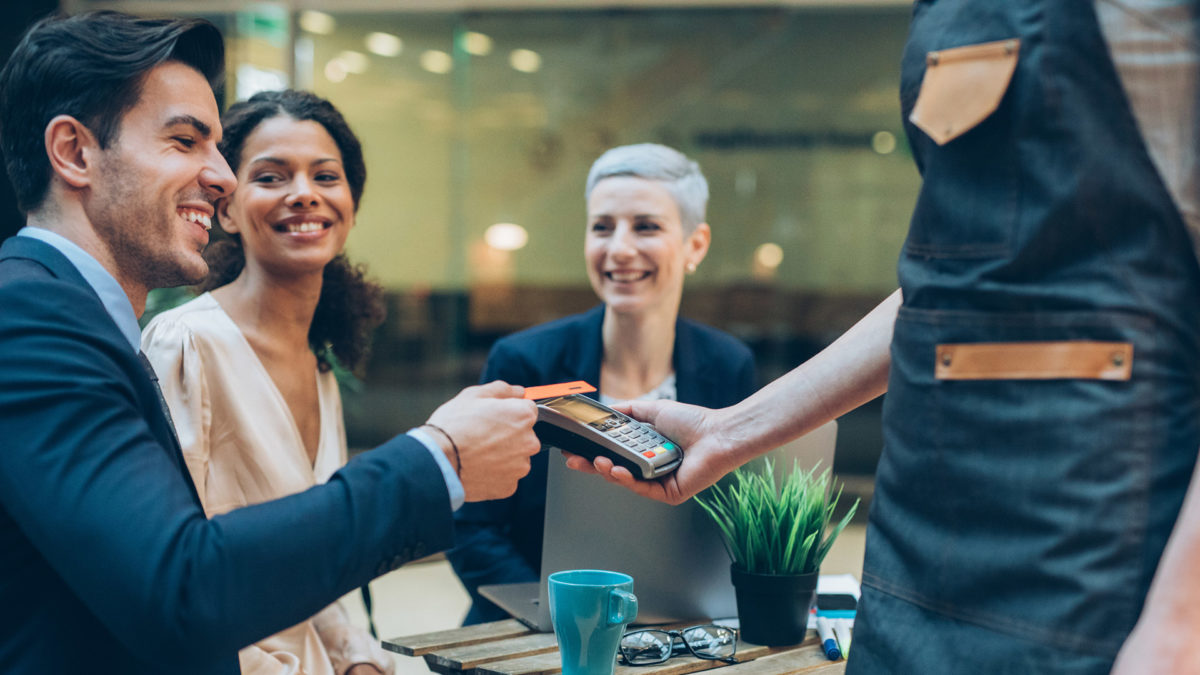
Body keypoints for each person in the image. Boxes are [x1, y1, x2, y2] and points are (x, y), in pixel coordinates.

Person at [573, 1, 1200, 673]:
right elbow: (950, 287)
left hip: (1096, 553)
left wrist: (1179, 626)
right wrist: (731, 431)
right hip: (913, 548)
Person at [0, 12, 540, 673]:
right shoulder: (28, 313)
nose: (221, 176)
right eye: (184, 141)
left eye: (217, 147)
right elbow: (185, 584)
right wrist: (440, 458)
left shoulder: (79, 318)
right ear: (75, 153)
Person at [446, 143, 757, 624]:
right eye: (602, 227)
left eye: (646, 226)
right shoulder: (526, 361)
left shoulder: (727, 364)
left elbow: (735, 523)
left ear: (695, 245)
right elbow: (472, 528)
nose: (620, 248)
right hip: (532, 626)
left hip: (676, 625)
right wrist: (558, 617)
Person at [141, 90, 394, 675]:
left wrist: (356, 658)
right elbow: (169, 572)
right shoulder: (186, 343)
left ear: (350, 203)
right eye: (272, 176)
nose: (303, 192)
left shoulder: (320, 363)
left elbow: (309, 563)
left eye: (325, 176)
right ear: (227, 208)